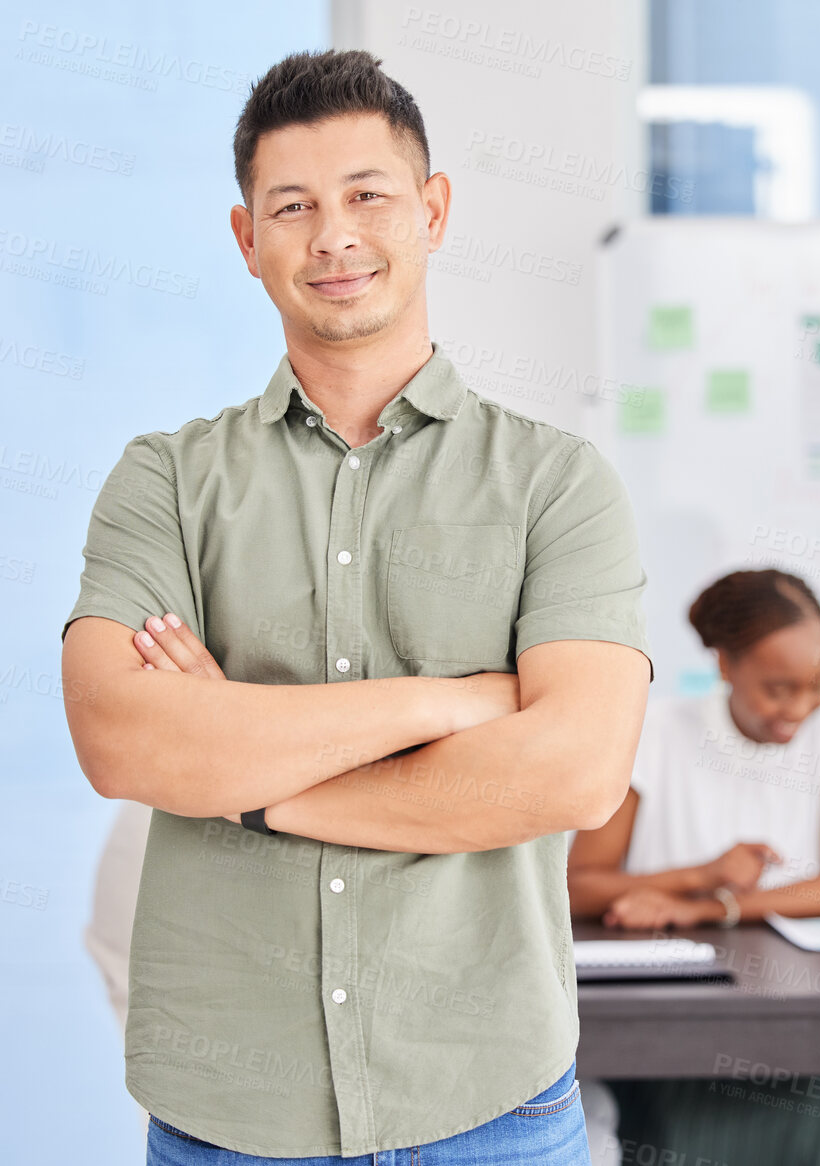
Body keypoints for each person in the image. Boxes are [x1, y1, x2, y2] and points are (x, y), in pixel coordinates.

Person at [59, 50, 651, 1165]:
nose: (333, 234)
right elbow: (120, 735)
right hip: (228, 1116)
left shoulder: (557, 484)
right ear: (248, 240)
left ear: (430, 211)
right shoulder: (165, 481)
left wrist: (243, 781)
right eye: (293, 205)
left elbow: (573, 771)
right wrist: (456, 702)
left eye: (367, 196)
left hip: (492, 1109)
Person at [568, 568, 820, 1166]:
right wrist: (699, 875)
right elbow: (579, 886)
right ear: (726, 666)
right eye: (778, 689)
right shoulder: (656, 732)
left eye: (817, 686)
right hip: (674, 1015)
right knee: (678, 1123)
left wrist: (710, 908)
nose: (801, 708)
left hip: (790, 1011)